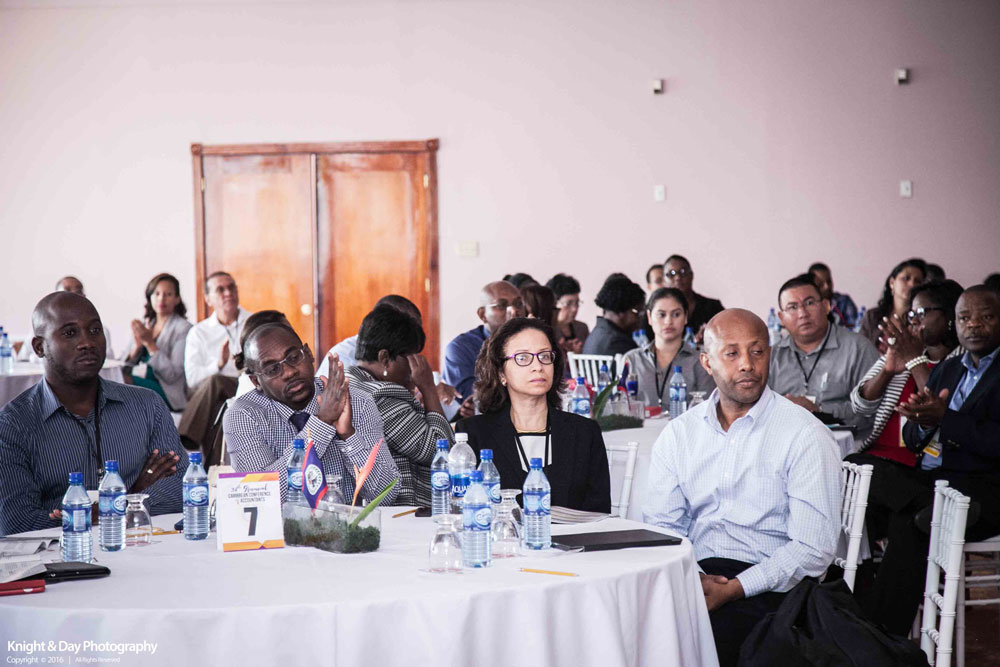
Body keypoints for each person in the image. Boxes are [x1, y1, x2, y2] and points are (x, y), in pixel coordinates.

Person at [643, 309, 840, 666]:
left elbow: (813, 549)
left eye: (757, 351)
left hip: (774, 585)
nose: (747, 364)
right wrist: (694, 579)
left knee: (703, 639)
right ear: (707, 362)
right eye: (732, 353)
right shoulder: (680, 434)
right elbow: (663, 527)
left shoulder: (804, 434)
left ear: (770, 355)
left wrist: (735, 589)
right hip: (696, 575)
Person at [862, 286, 1000, 636]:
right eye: (965, 318)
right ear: (956, 323)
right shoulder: (949, 369)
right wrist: (922, 422)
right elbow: (913, 437)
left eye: (986, 317)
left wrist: (945, 419)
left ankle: (880, 636)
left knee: (909, 522)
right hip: (938, 484)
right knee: (859, 466)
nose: (974, 325)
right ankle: (869, 629)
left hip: (985, 491)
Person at [0, 293, 187, 535]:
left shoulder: (147, 406)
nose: (87, 342)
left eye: (95, 330)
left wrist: (100, 511)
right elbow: (17, 522)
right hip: (62, 553)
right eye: (70, 333)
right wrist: (134, 496)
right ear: (39, 347)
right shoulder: (13, 425)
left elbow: (181, 490)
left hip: (142, 545)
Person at [222, 323, 399, 505]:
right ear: (256, 381)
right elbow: (260, 498)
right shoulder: (243, 415)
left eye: (293, 358)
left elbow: (386, 495)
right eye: (272, 369)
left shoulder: (356, 401)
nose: (289, 372)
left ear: (308, 354)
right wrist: (323, 422)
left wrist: (348, 435)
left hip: (347, 522)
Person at [456, 318, 610, 512]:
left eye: (544, 356)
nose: (538, 366)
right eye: (522, 358)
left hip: (577, 532)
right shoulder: (473, 433)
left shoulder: (585, 432)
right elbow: (463, 509)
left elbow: (599, 512)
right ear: (501, 373)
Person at [346, 306, 454, 506]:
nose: (416, 368)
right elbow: (440, 451)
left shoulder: (351, 382)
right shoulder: (382, 396)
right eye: (412, 359)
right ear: (385, 358)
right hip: (402, 511)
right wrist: (428, 388)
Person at [768, 273, 879, 438]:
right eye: (792, 307)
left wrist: (819, 410)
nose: (802, 313)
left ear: (826, 306)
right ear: (781, 318)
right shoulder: (773, 357)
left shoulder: (858, 349)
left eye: (809, 303)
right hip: (786, 445)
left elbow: (874, 412)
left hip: (848, 447)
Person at [178, 271, 252, 456]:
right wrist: (218, 365)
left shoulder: (252, 322)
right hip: (216, 397)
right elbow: (192, 379)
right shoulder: (199, 332)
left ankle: (184, 437)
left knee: (215, 381)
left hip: (249, 386)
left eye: (231, 287)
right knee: (218, 409)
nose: (228, 293)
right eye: (220, 290)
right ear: (208, 299)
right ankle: (213, 467)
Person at [623, 287, 715, 408]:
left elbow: (708, 408)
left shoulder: (700, 360)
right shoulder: (632, 359)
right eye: (661, 315)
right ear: (649, 317)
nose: (668, 321)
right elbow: (620, 406)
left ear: (685, 317)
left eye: (676, 314)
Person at [442, 280, 525, 402]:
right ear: (483, 315)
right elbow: (471, 396)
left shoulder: (534, 341)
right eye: (502, 306)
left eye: (518, 304)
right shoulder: (461, 347)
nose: (514, 311)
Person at [122, 273, 193, 412]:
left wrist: (150, 344)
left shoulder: (184, 328)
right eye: (157, 294)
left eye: (168, 294)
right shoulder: (145, 324)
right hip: (141, 378)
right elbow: (123, 367)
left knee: (123, 381)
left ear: (177, 299)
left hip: (167, 390)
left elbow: (172, 375)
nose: (161, 299)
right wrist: (137, 348)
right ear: (150, 297)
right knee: (113, 379)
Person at [858, 258, 927, 350]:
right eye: (906, 278)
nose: (912, 284)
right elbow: (860, 349)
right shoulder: (873, 316)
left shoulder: (922, 320)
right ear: (892, 283)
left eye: (917, 281)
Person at [662, 254, 724, 339]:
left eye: (683, 272)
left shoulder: (713, 307)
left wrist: (709, 340)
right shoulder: (657, 312)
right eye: (671, 274)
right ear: (664, 280)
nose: (677, 277)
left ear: (691, 275)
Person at [582, 273, 645, 357]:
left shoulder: (595, 334)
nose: (640, 317)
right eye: (638, 311)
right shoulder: (619, 342)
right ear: (620, 311)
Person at [546, 273, 589, 355]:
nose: (574, 309)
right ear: (553, 303)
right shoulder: (547, 331)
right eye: (568, 303)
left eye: (577, 303)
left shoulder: (582, 328)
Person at [808, 262, 859, 329]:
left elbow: (854, 328)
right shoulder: (807, 306)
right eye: (821, 284)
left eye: (829, 281)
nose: (827, 287)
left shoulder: (844, 301)